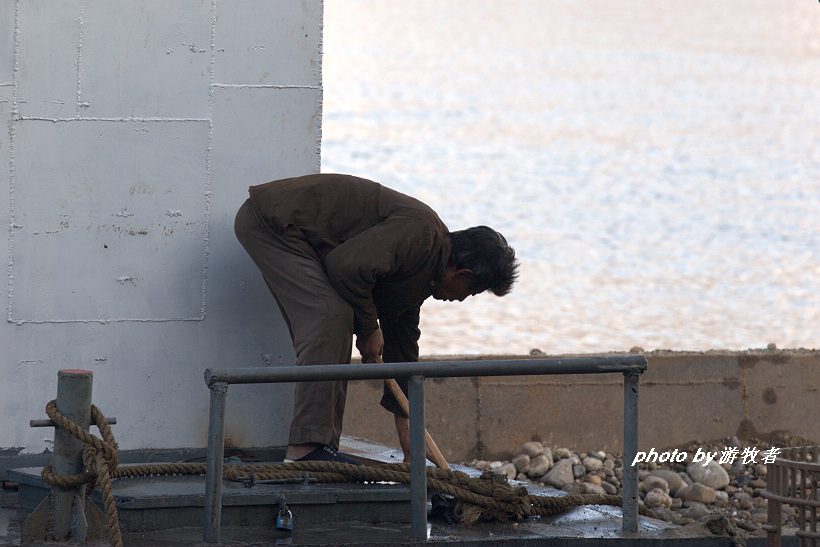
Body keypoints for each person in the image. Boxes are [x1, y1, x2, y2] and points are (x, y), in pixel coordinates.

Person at [234, 173, 518, 465]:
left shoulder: (424, 272)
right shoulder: (420, 236)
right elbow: (345, 267)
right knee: (330, 316)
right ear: (463, 275)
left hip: (294, 233)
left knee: (338, 317)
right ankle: (307, 449)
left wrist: (409, 436)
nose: (461, 300)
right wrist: (369, 329)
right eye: (471, 293)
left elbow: (402, 351)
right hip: (273, 222)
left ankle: (322, 450)